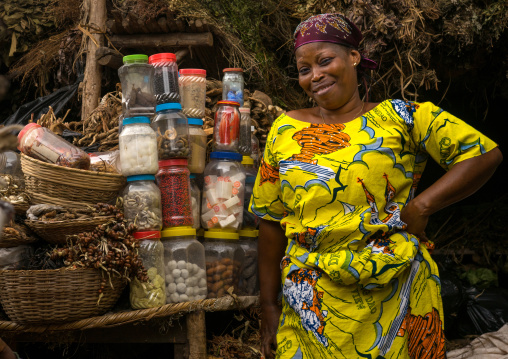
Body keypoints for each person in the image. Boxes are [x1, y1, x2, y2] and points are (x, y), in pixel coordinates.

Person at [249, 13, 503, 359]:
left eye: (325, 61)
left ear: (354, 57)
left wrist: (421, 206)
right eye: (304, 69)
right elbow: (270, 222)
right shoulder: (284, 130)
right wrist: (268, 308)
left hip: (395, 290)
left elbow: (484, 154)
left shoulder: (401, 116)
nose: (315, 75)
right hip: (311, 302)